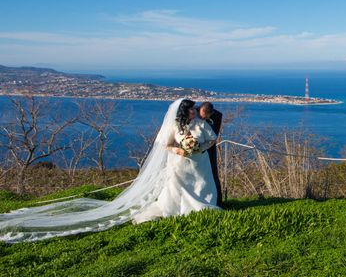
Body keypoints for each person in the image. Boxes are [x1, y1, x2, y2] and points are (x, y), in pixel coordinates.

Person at [0, 98, 221, 243]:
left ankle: (202, 205)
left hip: (198, 161)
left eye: (195, 108)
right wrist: (178, 150)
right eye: (191, 108)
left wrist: (198, 147)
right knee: (176, 188)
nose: (195, 110)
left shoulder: (201, 124)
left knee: (202, 183)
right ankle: (179, 209)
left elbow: (212, 140)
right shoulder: (174, 125)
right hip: (178, 162)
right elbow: (164, 144)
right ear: (185, 111)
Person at [197, 102, 223, 207]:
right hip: (194, 148)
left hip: (209, 148)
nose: (203, 118)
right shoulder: (193, 112)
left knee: (212, 173)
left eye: (206, 116)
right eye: (202, 114)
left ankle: (217, 201)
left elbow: (213, 136)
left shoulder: (217, 116)